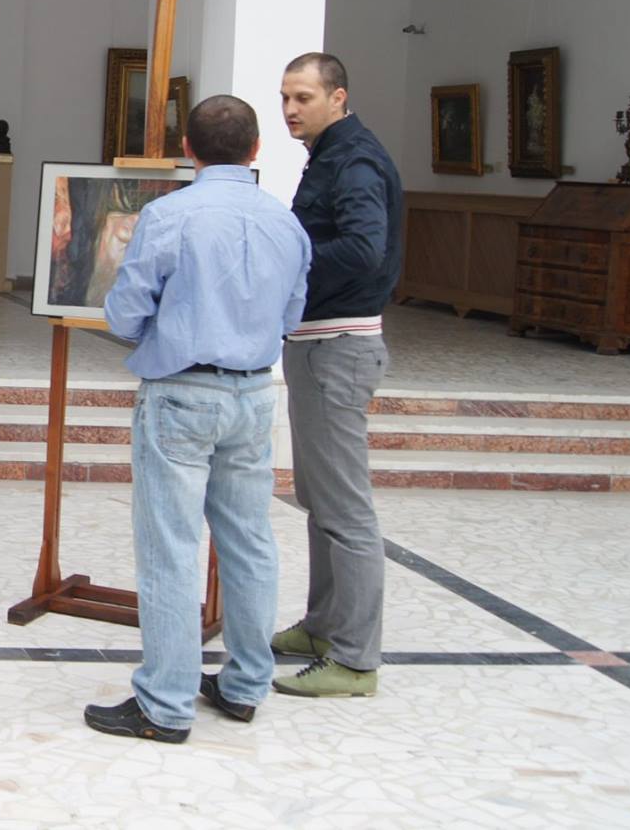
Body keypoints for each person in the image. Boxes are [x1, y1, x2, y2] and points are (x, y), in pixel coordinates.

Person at [83, 96, 311, 743]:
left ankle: (165, 704)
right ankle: (244, 686)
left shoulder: (169, 215)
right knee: (250, 542)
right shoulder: (284, 221)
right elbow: (292, 314)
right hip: (254, 393)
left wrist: (164, 327)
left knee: (171, 548)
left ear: (187, 148)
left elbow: (126, 312)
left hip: (182, 392)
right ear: (256, 149)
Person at [272, 52, 404, 698]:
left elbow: (362, 248)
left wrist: (286, 257)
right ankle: (325, 626)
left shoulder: (354, 161)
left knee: (345, 508)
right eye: (285, 97)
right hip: (318, 344)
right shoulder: (328, 154)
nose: (290, 109)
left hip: (339, 347)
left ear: (338, 97)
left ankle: (354, 659)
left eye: (303, 97)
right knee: (319, 497)